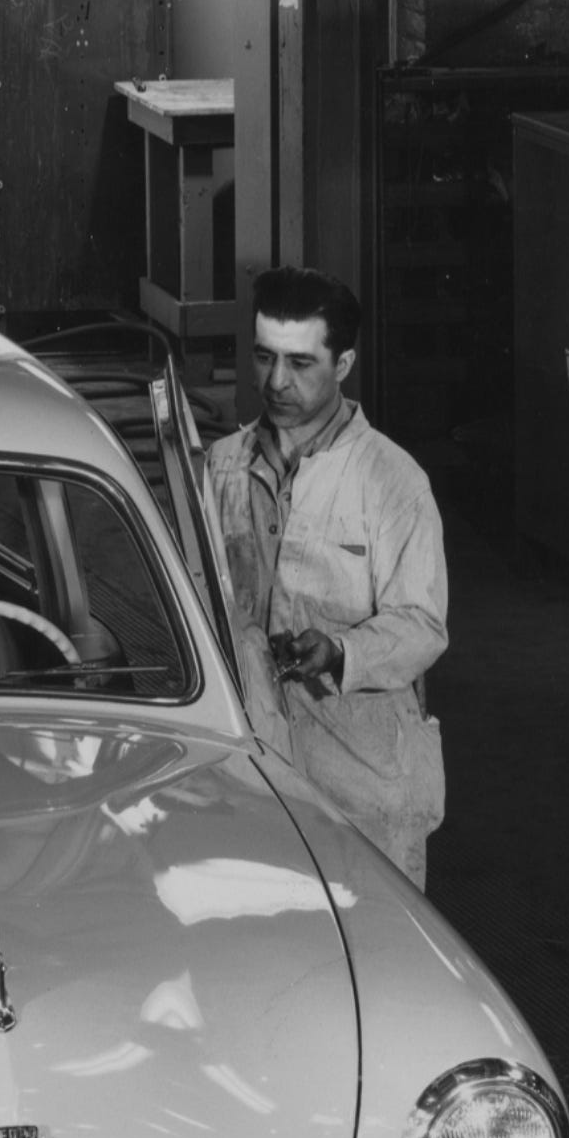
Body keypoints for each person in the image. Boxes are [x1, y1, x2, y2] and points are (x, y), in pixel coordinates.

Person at [201, 267, 450, 887]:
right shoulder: (222, 467)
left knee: (375, 953)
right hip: (257, 759)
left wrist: (342, 651)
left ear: (343, 365)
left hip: (361, 773)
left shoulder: (392, 481)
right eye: (264, 357)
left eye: (301, 363)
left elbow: (422, 625)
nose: (276, 381)